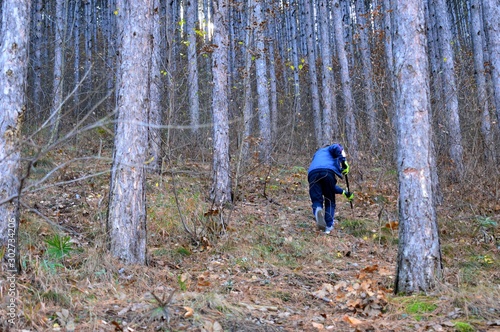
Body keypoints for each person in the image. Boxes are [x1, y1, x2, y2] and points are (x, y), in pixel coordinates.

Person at [307, 143, 354, 234]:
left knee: (316, 200)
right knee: (329, 199)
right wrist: (344, 162)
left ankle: (318, 210)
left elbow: (323, 169)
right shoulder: (330, 149)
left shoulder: (317, 154)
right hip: (327, 173)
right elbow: (337, 147)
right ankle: (328, 226)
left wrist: (344, 192)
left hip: (312, 174)